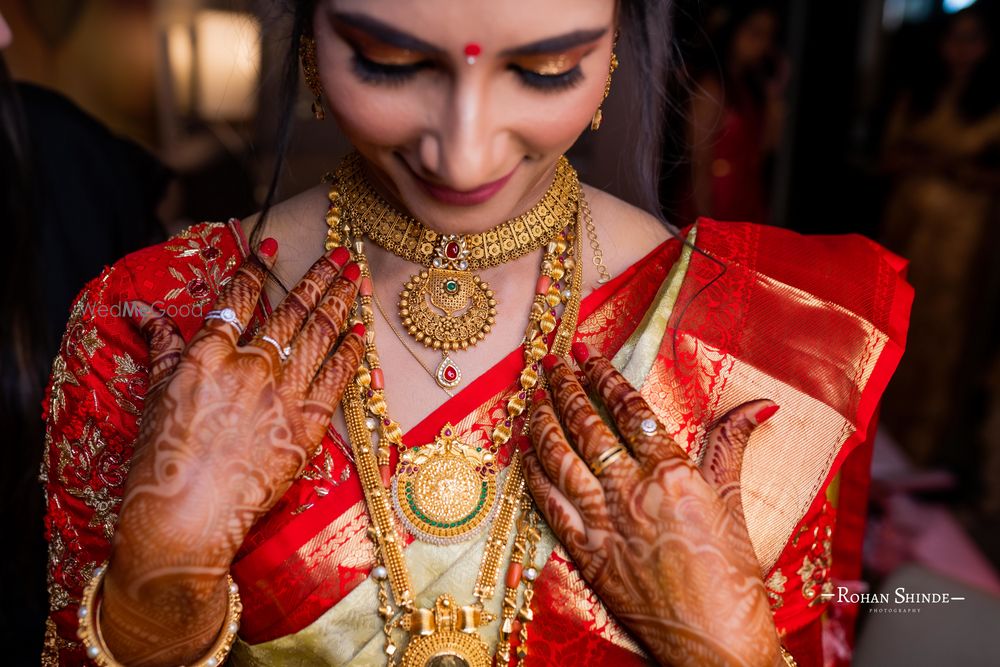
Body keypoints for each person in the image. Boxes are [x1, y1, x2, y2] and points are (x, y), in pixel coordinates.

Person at [39, 1, 911, 665]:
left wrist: (724, 646)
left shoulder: (766, 338)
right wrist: (159, 585)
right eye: (387, 62)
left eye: (544, 70)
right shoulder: (157, 320)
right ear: (309, 37)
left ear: (612, 49)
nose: (463, 155)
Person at [879, 7, 1000, 471]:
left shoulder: (991, 106)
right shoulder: (920, 94)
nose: (960, 50)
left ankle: (923, 453)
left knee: (943, 336)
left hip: (963, 237)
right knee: (897, 325)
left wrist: (957, 169)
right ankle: (882, 441)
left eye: (971, 40)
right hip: (909, 225)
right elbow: (886, 157)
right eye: (954, 38)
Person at [686, 3, 785, 225]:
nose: (761, 44)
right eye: (755, 32)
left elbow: (767, 146)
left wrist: (774, 95)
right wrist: (705, 223)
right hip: (715, 199)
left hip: (746, 196)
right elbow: (698, 161)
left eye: (768, 36)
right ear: (734, 29)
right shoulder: (712, 86)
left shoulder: (750, 87)